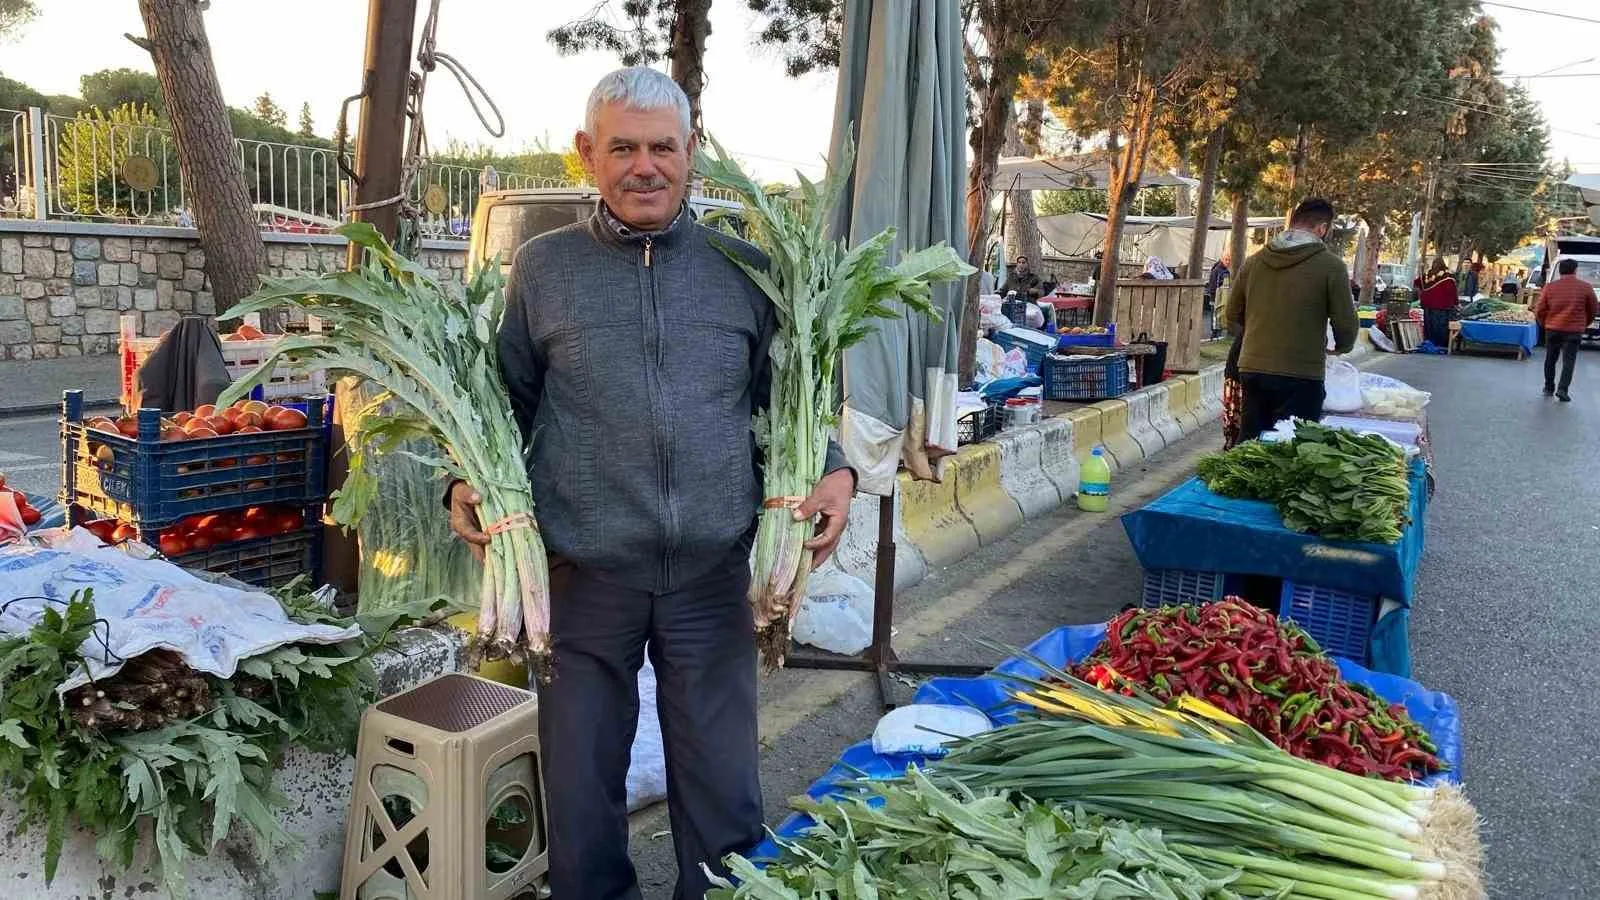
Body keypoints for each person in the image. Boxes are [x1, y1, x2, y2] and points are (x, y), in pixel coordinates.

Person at [446, 67, 857, 900]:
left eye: (662, 147)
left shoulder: (746, 271)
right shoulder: (543, 269)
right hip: (584, 571)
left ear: (691, 154)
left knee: (723, 786)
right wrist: (463, 480)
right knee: (580, 790)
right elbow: (505, 401)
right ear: (586, 154)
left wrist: (837, 469)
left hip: (713, 572)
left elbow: (791, 400)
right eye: (623, 147)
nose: (645, 166)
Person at [1226, 197, 1359, 441]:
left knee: (1251, 447)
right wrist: (1341, 347)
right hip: (1301, 372)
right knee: (1295, 449)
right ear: (1322, 228)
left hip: (1252, 368)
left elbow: (1231, 315)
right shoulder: (1331, 266)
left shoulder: (1254, 261)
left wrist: (1259, 336)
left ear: (1294, 222)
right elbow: (1346, 323)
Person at [1534, 258, 1600, 401]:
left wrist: (1545, 323)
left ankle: (1548, 387)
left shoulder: (1550, 287)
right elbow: (1594, 309)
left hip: (1553, 328)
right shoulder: (1586, 287)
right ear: (1575, 270)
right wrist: (1585, 323)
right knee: (1569, 361)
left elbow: (1539, 309)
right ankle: (1563, 390)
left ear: (1559, 270)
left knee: (1550, 359)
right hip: (1574, 330)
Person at [1416, 258, 1457, 348]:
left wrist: (1421, 296)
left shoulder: (1427, 275)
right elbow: (1452, 291)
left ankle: (1429, 342)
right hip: (1442, 307)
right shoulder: (1447, 276)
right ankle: (1440, 344)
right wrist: (1456, 303)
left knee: (1429, 325)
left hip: (1427, 306)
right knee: (1440, 326)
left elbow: (1417, 283)